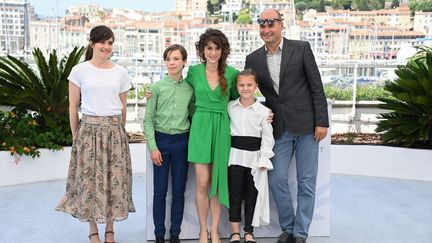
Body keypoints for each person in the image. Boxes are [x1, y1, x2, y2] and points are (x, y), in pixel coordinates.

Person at [245, 9, 329, 243]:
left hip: (308, 127)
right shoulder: (253, 59)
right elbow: (246, 90)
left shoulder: (301, 48)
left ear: (282, 25)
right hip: (279, 129)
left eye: (271, 23)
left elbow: (316, 87)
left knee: (306, 182)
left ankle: (301, 233)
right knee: (276, 179)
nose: (266, 29)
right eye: (262, 24)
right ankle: (289, 228)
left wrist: (322, 121)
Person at [56, 25, 135, 243]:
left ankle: (110, 231)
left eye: (110, 43)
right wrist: (75, 136)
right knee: (88, 182)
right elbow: (73, 106)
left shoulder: (121, 72)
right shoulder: (79, 70)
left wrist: (120, 132)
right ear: (92, 43)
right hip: (88, 132)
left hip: (114, 133)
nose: (107, 47)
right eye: (102, 42)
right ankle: (93, 231)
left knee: (114, 181)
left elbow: (123, 107)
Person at [187, 28, 239, 243]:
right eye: (209, 48)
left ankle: (215, 231)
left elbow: (239, 101)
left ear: (223, 50)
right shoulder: (193, 71)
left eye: (217, 48)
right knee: (202, 182)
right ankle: (202, 230)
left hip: (221, 128)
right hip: (200, 127)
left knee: (217, 182)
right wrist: (153, 92)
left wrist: (265, 114)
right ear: (202, 49)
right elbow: (183, 94)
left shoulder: (232, 73)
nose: (213, 52)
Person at [143, 44, 194, 243]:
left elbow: (191, 113)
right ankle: (158, 235)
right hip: (161, 141)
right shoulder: (156, 88)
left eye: (175, 59)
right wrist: (153, 147)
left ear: (184, 62)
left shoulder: (190, 89)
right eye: (168, 59)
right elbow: (148, 120)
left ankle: (175, 234)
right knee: (160, 191)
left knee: (179, 191)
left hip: (182, 142)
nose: (171, 63)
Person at [227, 69, 274, 243]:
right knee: (235, 195)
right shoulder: (230, 106)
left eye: (249, 85)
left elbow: (268, 137)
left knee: (251, 196)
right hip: (234, 157)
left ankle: (249, 232)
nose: (245, 88)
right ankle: (235, 233)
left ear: (256, 86)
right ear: (236, 86)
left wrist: (264, 158)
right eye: (241, 85)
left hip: (255, 160)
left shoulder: (263, 111)